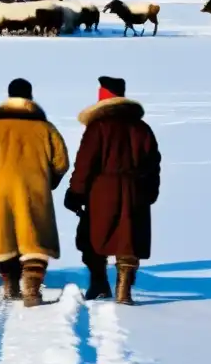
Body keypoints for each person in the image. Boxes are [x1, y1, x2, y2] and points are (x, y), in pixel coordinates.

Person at [65, 76, 161, 305]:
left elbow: (85, 163)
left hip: (101, 193)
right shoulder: (142, 128)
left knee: (93, 238)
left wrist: (76, 191)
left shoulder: (97, 127)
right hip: (135, 192)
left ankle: (99, 284)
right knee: (129, 240)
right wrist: (150, 191)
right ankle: (124, 290)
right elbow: (153, 164)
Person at [0, 78, 70, 307]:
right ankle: (32, 291)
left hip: (3, 191)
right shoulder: (45, 128)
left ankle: (10, 286)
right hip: (36, 190)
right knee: (35, 241)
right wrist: (50, 181)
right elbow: (61, 162)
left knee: (5, 239)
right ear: (30, 97)